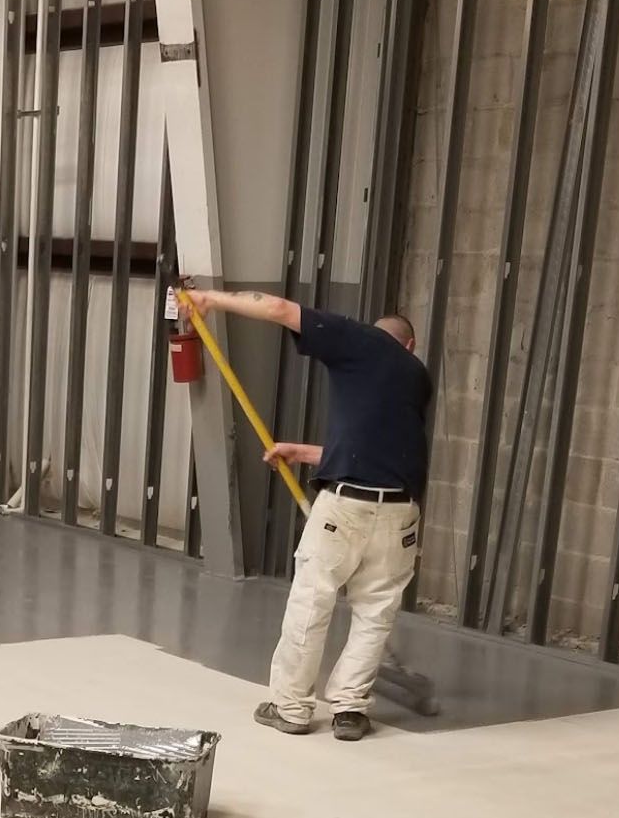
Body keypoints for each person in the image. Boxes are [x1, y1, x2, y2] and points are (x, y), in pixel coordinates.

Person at [182, 288, 432, 740]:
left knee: (312, 600)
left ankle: (292, 707)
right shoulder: (417, 376)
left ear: (374, 336)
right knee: (375, 611)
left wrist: (209, 300)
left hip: (345, 508)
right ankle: (350, 710)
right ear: (411, 346)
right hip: (400, 514)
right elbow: (377, 450)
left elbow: (278, 309)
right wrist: (303, 452)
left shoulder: (358, 340)